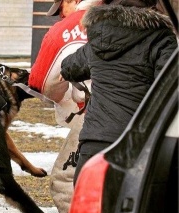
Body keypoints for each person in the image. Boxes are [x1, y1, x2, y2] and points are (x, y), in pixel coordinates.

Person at [59, 0, 178, 185]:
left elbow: (67, 67)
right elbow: (171, 85)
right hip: (137, 147)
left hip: (93, 146)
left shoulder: (99, 36)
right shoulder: (160, 37)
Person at [29, 0, 101, 213]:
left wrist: (67, 100)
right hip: (153, 116)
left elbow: (41, 82)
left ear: (74, 1)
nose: (60, 16)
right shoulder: (156, 24)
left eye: (61, 9)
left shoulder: (66, 30)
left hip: (99, 115)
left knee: (65, 181)